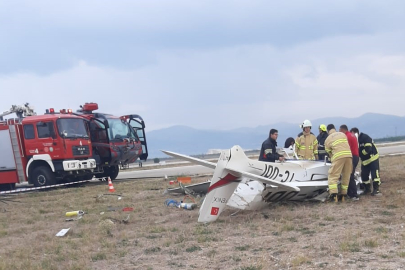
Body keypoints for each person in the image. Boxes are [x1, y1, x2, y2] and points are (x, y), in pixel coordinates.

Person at [325, 124, 353, 202]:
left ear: (328, 131)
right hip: (349, 156)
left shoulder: (328, 139)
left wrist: (332, 160)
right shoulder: (342, 134)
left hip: (338, 156)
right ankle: (343, 195)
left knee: (333, 175)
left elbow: (329, 153)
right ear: (335, 129)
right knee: (346, 176)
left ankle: (334, 196)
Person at [350, 127, 381, 196]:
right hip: (365, 161)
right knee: (364, 176)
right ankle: (367, 189)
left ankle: (376, 190)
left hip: (373, 159)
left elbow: (368, 149)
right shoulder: (355, 141)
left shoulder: (365, 137)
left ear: (356, 133)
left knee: (374, 175)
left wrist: (359, 154)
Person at [340, 125, 359, 200]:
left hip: (352, 156)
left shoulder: (346, 137)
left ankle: (354, 195)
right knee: (350, 174)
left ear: (342, 130)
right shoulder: (352, 135)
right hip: (355, 156)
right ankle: (351, 193)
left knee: (350, 175)